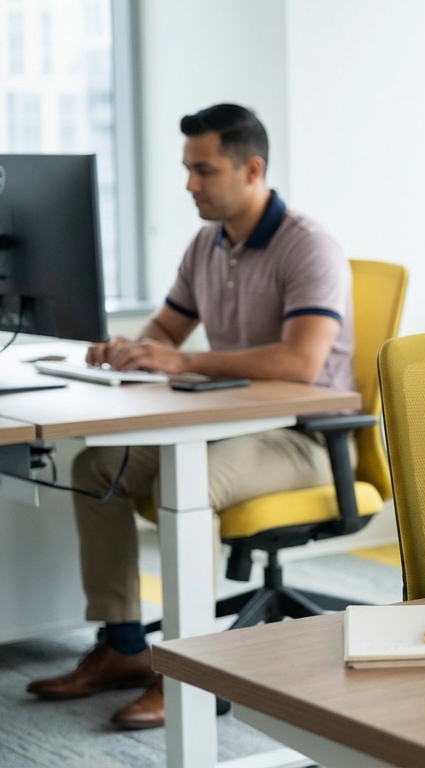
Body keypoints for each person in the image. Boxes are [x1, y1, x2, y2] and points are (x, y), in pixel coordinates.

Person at [25, 104, 355, 730]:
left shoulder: (307, 245)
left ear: (252, 169)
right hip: (220, 426)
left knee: (190, 482)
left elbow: (302, 361)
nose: (189, 185)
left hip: (301, 437)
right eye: (187, 169)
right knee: (97, 468)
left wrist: (179, 362)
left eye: (203, 170)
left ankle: (186, 671)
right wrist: (127, 353)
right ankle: (123, 645)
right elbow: (165, 332)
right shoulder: (207, 244)